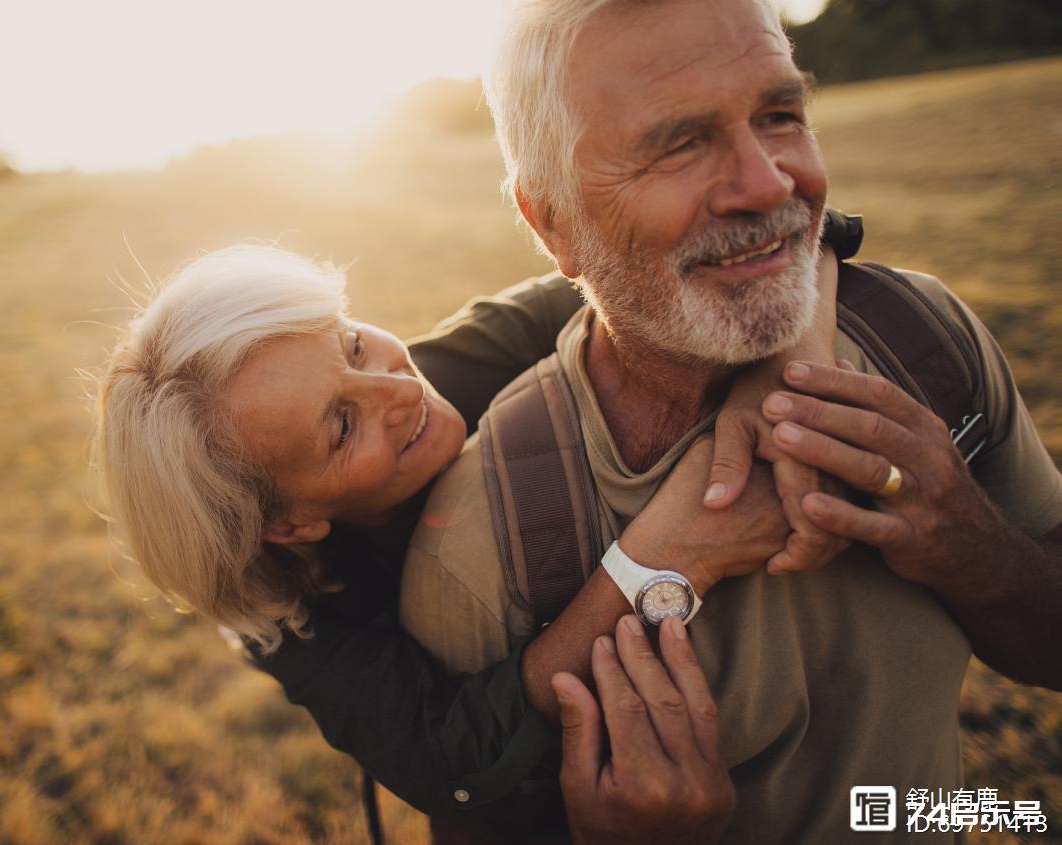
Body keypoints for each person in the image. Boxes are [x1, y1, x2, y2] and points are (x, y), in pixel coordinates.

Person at [399, 0, 1062, 841]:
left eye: (779, 116)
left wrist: (975, 546)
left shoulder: (922, 341)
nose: (769, 184)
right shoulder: (483, 547)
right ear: (551, 221)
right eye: (677, 142)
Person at [93, 224, 854, 832]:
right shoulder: (288, 618)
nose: (395, 385)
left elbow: (776, 234)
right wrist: (660, 558)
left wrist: (785, 376)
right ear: (290, 524)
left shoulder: (448, 361)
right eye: (341, 426)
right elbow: (446, 755)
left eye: (352, 343)